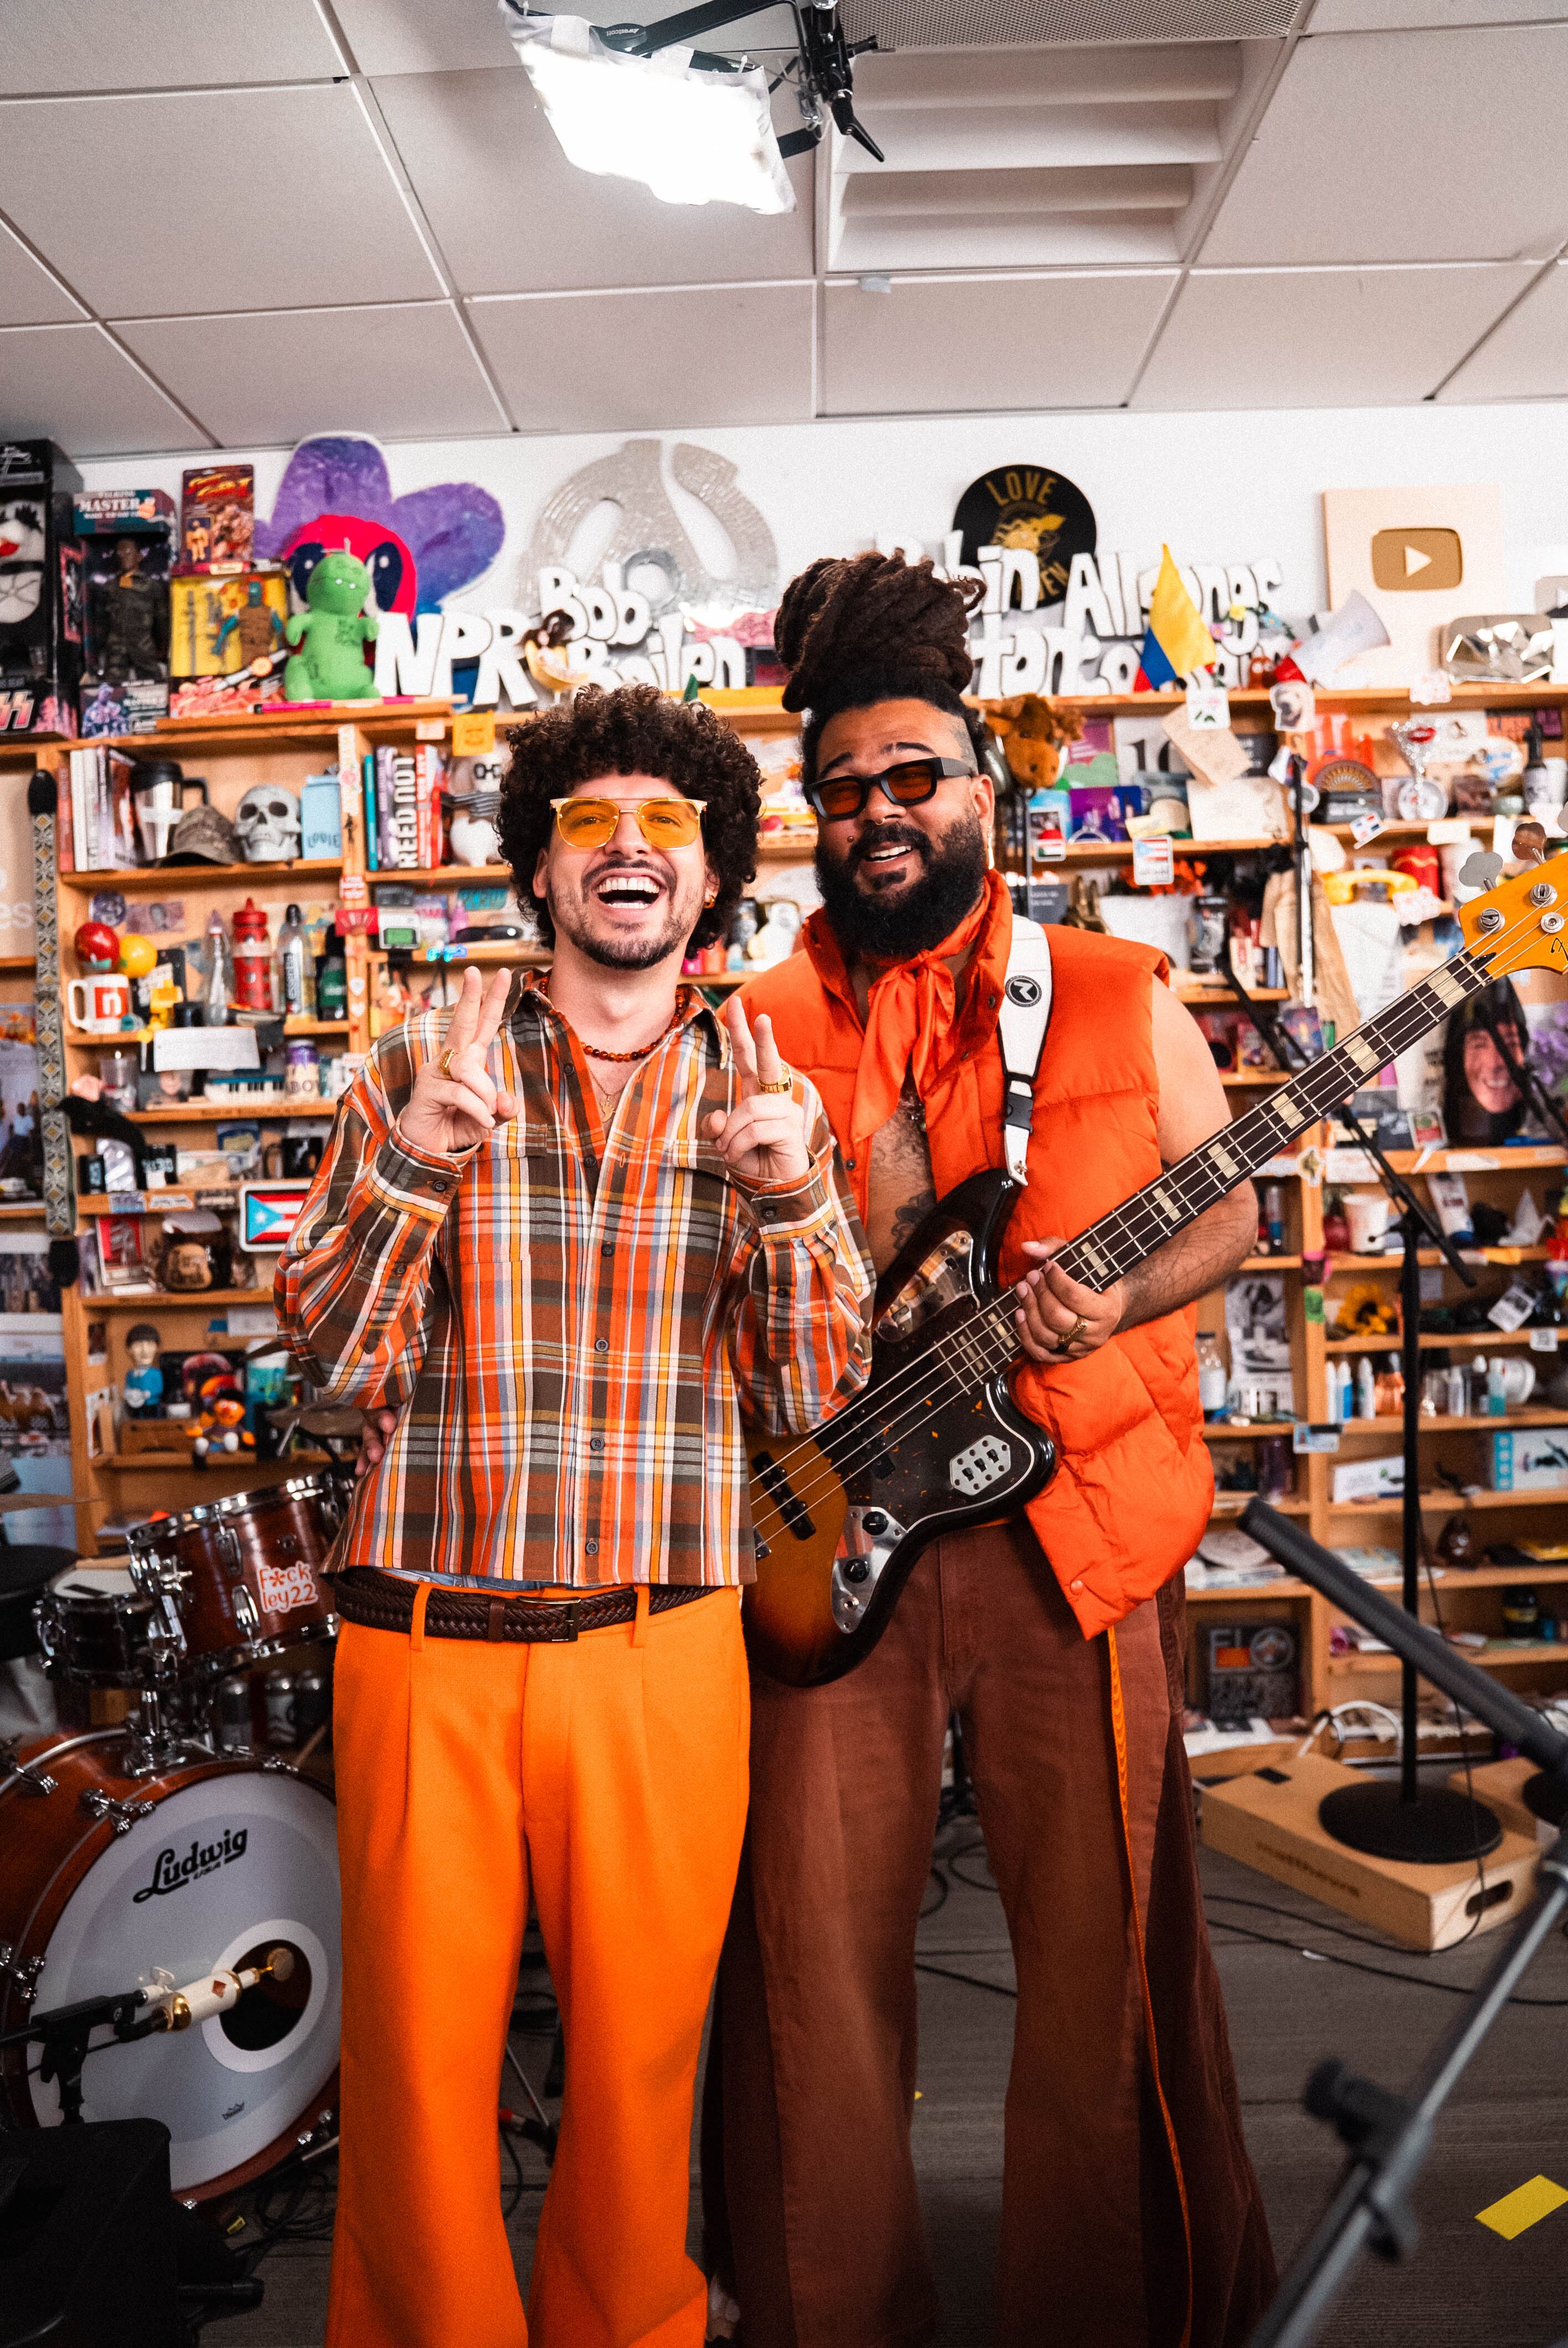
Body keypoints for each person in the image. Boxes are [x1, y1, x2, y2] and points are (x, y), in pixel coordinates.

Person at [700, 553, 1277, 2348]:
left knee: (1107, 1968)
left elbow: (1235, 1220)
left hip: (1077, 1537)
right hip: (826, 1559)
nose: (879, 815)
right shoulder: (750, 1023)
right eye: (844, 788)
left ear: (980, 783)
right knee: (810, 1976)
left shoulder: (1111, 987)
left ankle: (1110, 2313)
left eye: (913, 777)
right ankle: (834, 2317)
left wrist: (1112, 1306)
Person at [278, 683, 873, 2348]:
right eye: (591, 824)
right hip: (423, 1648)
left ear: (710, 877)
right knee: (413, 2081)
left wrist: (794, 1196)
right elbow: (327, 1371)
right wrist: (420, 1161)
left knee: (634, 2073)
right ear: (539, 870)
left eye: (668, 827)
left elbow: (819, 1403)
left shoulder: (765, 1096)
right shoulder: (411, 1066)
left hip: (660, 1658)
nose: (628, 851)